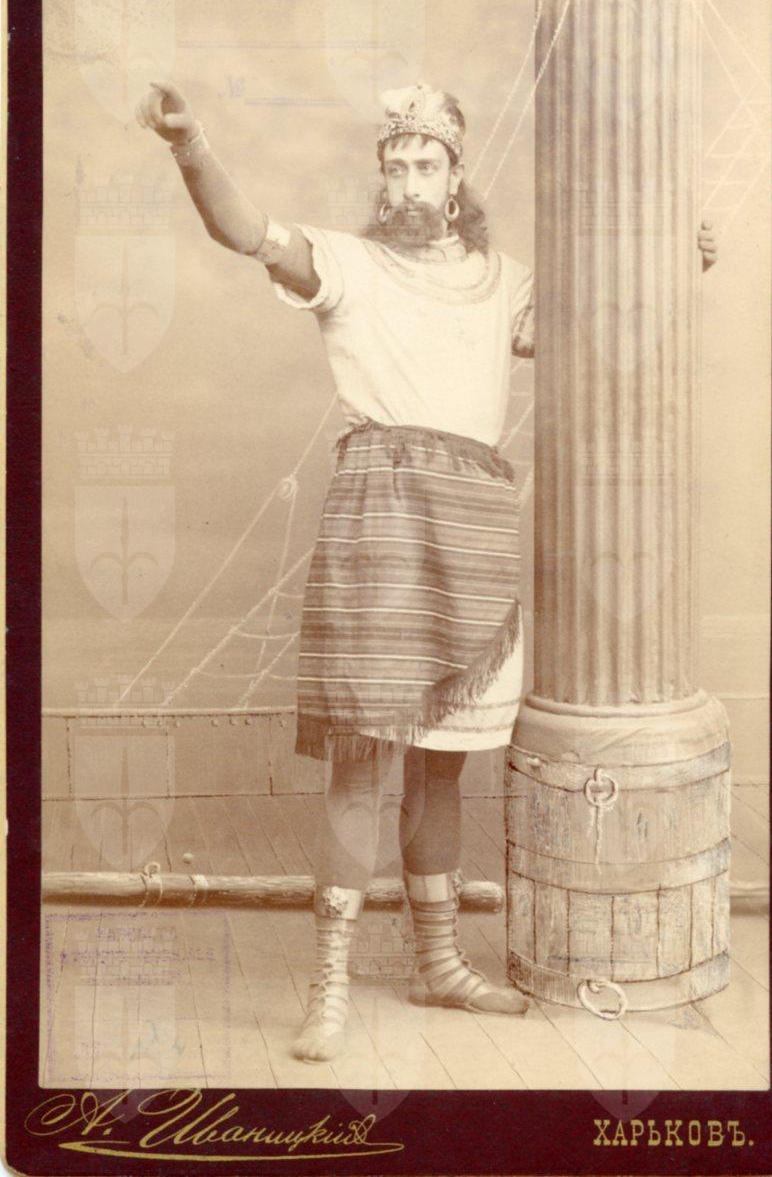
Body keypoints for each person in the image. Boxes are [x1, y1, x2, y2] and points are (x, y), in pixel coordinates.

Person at [136, 78, 718, 1063]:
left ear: (455, 179)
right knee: (363, 767)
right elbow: (243, 232)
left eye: (426, 164)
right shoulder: (350, 265)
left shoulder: (504, 280)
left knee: (443, 768)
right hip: (381, 524)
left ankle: (437, 964)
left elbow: (602, 330)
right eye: (395, 165)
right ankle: (329, 986)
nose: (408, 181)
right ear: (384, 179)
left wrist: (676, 261)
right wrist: (188, 144)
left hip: (475, 530)